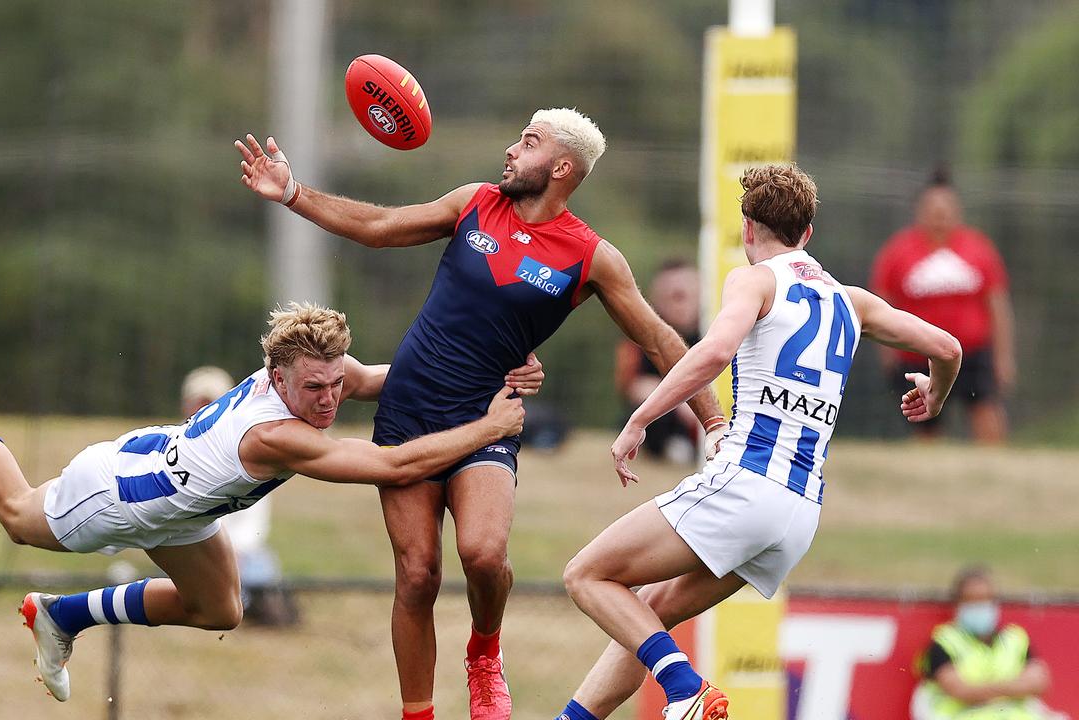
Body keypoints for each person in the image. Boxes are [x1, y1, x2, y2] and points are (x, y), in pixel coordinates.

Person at [235, 109, 728, 720]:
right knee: (416, 576)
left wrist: (714, 424)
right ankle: (419, 713)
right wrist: (292, 192)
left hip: (485, 420)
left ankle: (484, 653)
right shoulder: (475, 202)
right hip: (409, 410)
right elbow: (381, 225)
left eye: (528, 142)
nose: (511, 150)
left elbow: (661, 340)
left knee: (484, 554)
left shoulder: (591, 257)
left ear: (562, 167)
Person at [0, 303, 540, 703]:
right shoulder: (278, 435)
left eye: (336, 383)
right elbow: (394, 463)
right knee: (15, 511)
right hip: (121, 495)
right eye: (316, 389)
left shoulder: (306, 376)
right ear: (279, 379)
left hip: (179, 497)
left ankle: (63, 615)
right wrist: (490, 427)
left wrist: (494, 377)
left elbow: (392, 380)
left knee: (222, 610)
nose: (331, 399)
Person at [552, 164, 963, 720]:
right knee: (650, 611)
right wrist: (934, 399)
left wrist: (641, 417)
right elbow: (948, 347)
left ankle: (685, 689)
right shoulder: (853, 300)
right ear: (808, 233)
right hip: (799, 514)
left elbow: (716, 350)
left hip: (748, 483)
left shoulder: (756, 279)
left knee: (587, 575)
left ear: (748, 227)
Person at [871, 170, 1014, 443]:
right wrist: (888, 353)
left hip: (973, 354)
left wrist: (1003, 357)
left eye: (946, 210)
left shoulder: (978, 249)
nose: (940, 216)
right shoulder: (898, 252)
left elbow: (997, 305)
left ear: (957, 211)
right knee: (925, 423)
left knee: (986, 413)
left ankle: (996, 468)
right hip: (918, 354)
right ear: (920, 211)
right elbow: (881, 304)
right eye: (933, 210)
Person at [181, 366, 295, 627]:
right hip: (193, 544)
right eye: (197, 403)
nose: (200, 411)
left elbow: (254, 518)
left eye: (209, 404)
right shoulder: (178, 451)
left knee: (261, 569)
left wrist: (234, 549)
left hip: (238, 550)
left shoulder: (245, 451)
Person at [911, 567, 1061, 720]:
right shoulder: (944, 642)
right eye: (972, 600)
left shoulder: (1015, 639)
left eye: (985, 599)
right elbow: (962, 691)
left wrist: (985, 689)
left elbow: (1040, 682)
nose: (980, 606)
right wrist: (1015, 687)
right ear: (957, 604)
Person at [614, 260, 701, 463]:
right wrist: (682, 400)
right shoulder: (642, 336)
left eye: (685, 296)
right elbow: (632, 385)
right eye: (674, 297)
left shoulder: (714, 332)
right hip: (667, 419)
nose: (680, 304)